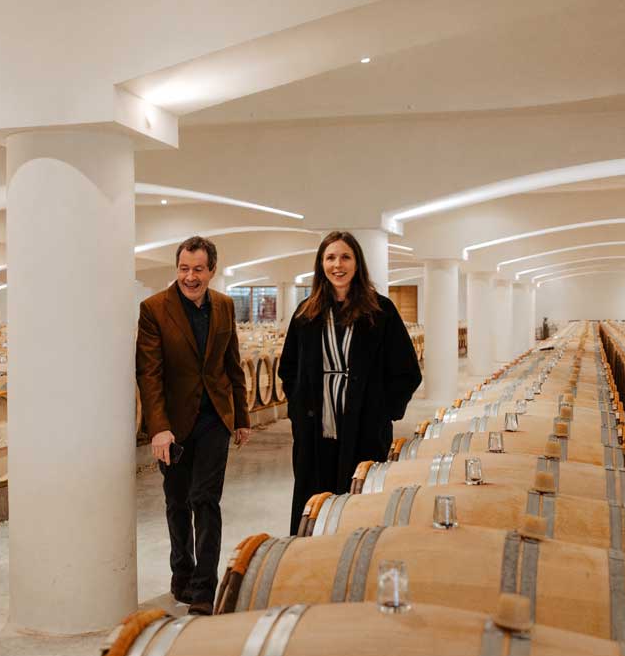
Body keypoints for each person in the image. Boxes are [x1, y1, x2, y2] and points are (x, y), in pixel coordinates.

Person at [277, 230, 422, 533]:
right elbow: (288, 368)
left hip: (365, 430)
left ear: (357, 263)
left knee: (360, 508)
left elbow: (408, 371)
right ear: (321, 264)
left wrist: (383, 410)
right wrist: (298, 409)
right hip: (315, 432)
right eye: (330, 258)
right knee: (314, 505)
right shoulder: (305, 313)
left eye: (345, 257)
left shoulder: (380, 312)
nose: (337, 265)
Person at [136, 236, 252, 615]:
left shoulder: (224, 305)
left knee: (206, 501)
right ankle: (181, 574)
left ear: (211, 271)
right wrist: (158, 427)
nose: (190, 276)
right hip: (173, 423)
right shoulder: (154, 309)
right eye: (184, 268)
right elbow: (149, 374)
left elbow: (232, 364)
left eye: (198, 269)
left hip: (214, 419)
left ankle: (204, 588)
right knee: (176, 502)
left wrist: (242, 417)